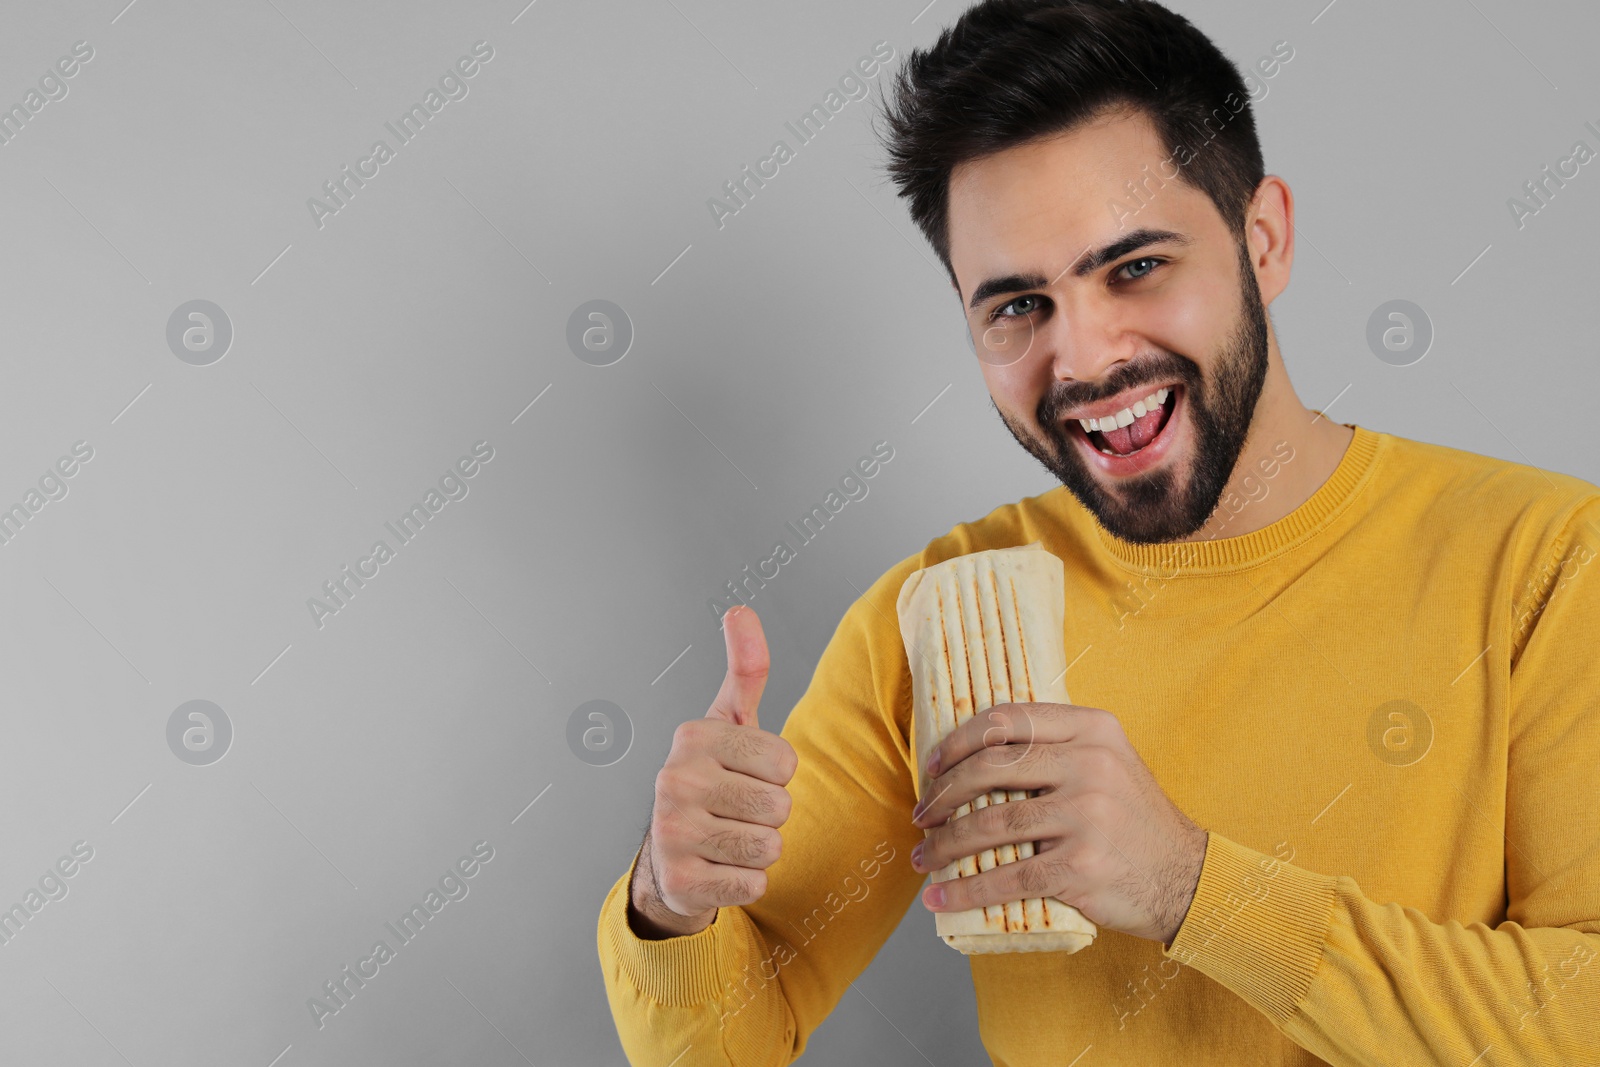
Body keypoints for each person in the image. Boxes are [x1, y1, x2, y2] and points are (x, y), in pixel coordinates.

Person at [596, 1, 1600, 1062]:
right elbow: (719, 1042)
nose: (1082, 359)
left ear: (1263, 242)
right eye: (1017, 305)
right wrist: (671, 897)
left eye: (1134, 268)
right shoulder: (937, 612)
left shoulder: (1548, 563)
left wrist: (1186, 885)